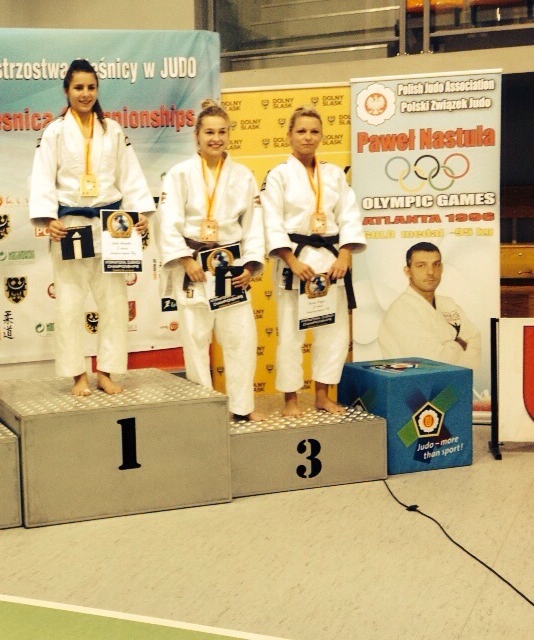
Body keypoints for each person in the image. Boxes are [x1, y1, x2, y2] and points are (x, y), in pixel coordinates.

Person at [29, 59, 156, 396]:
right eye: (78, 88)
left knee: (114, 303)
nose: (85, 94)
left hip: (111, 226)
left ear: (97, 90)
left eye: (91, 87)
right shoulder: (55, 132)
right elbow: (43, 177)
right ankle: (77, 375)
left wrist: (139, 212)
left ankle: (107, 371)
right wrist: (47, 218)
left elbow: (130, 175)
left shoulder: (112, 130)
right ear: (66, 91)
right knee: (69, 303)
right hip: (71, 225)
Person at [158, 100, 266, 421]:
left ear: (229, 135)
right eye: (209, 132)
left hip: (229, 266)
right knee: (195, 339)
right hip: (194, 263)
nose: (215, 138)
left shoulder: (243, 176)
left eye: (221, 132)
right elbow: (168, 221)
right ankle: (204, 411)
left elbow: (254, 225)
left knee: (241, 338)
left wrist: (250, 265)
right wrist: (184, 259)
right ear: (197, 135)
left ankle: (242, 407)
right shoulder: (179, 174)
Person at [261, 106, 366, 417]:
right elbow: (271, 221)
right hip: (295, 261)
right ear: (289, 135)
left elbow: (349, 215)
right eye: (301, 131)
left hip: (331, 262)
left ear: (322, 136)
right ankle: (290, 400)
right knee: (290, 334)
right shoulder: (278, 175)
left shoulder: (334, 174)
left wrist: (345, 254)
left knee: (332, 333)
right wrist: (290, 260)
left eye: (314, 131)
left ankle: (322, 395)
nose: (308, 137)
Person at [378, 242, 481, 370]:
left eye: (436, 265)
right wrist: (458, 345)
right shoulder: (400, 311)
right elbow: (430, 362)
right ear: (408, 271)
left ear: (441, 269)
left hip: (459, 379)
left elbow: (474, 340)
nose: (430, 272)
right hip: (413, 382)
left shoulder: (448, 304)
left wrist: (448, 349)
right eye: (421, 265)